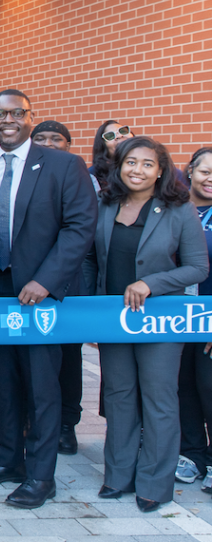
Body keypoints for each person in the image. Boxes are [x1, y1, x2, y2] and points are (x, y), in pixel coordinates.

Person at [0, 89, 97, 509]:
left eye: (16, 113)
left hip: (36, 294)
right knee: (1, 381)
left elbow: (79, 228)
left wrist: (46, 280)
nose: (8, 120)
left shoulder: (63, 165)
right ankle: (9, 460)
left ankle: (41, 475)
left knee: (41, 386)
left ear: (30, 117)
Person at [82, 137, 208, 512]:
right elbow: (90, 259)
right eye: (130, 162)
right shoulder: (105, 203)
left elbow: (197, 267)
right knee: (119, 396)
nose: (138, 170)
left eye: (147, 164)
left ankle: (155, 482)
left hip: (160, 320)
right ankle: (118, 476)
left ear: (161, 170)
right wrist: (92, 308)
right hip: (114, 319)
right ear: (119, 166)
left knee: (159, 399)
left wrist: (151, 284)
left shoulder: (178, 208)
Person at [30, 119, 89, 456]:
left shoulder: (74, 172)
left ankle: (66, 424)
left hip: (65, 286)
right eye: (42, 138)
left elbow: (78, 231)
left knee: (67, 359)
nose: (49, 143)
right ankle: (31, 422)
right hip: (25, 287)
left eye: (57, 138)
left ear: (69, 144)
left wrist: (50, 279)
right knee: (33, 360)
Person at [179, 147, 212, 491]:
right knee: (182, 386)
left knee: (209, 386)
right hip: (174, 317)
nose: (210, 179)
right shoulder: (174, 208)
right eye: (205, 171)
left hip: (210, 319)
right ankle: (192, 453)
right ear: (190, 171)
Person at [91, 120, 133, 191]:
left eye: (123, 131)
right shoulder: (93, 175)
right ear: (103, 146)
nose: (119, 136)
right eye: (110, 136)